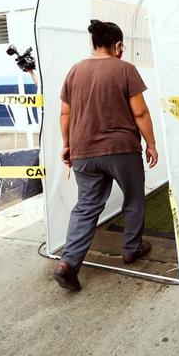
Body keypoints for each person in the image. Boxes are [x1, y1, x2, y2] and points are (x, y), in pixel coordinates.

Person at [53, 20, 158, 292]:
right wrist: (151, 144)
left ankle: (68, 262)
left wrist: (67, 144)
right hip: (121, 149)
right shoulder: (125, 69)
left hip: (83, 151)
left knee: (86, 206)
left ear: (94, 43)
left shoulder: (75, 70)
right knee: (134, 198)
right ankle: (131, 249)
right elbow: (140, 112)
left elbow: (65, 113)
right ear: (118, 45)